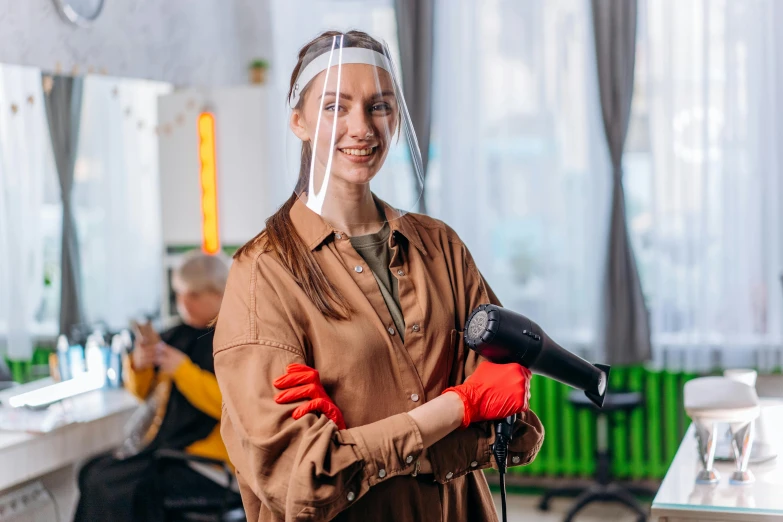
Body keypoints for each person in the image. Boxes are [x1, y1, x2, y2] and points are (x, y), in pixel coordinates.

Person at [213, 30, 544, 522]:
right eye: (334, 107)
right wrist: (457, 408)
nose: (361, 127)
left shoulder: (441, 247)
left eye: (379, 105)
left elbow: (513, 427)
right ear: (298, 121)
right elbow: (304, 480)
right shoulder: (264, 275)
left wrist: (358, 444)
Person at [74, 251, 238, 522]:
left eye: (194, 295)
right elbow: (142, 393)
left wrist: (183, 371)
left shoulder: (237, 340)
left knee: (119, 487)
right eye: (179, 293)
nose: (183, 302)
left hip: (211, 462)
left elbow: (232, 406)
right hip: (170, 449)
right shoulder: (175, 335)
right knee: (92, 471)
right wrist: (139, 364)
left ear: (220, 293)